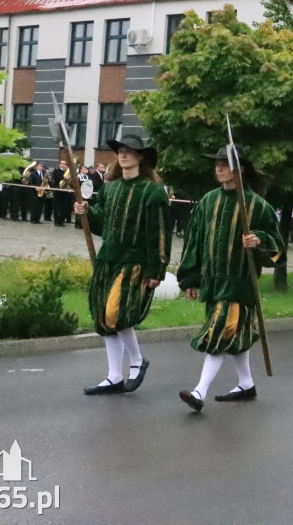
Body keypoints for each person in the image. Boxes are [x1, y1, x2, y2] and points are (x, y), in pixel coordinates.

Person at [177, 146, 284, 412]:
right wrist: (190, 278)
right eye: (217, 164)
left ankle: (199, 392)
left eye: (224, 164)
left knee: (220, 331)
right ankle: (246, 384)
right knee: (234, 337)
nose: (218, 169)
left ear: (241, 169)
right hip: (213, 283)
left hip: (239, 284)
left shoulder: (258, 206)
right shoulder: (207, 202)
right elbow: (194, 242)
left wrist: (258, 241)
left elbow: (278, 249)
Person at [73, 135, 171, 395]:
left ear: (141, 157)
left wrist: (156, 270)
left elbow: (159, 234)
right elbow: (101, 222)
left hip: (135, 262)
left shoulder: (151, 192)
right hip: (109, 259)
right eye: (120, 151)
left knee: (115, 312)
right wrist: (85, 212)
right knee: (104, 318)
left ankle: (137, 360)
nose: (123, 155)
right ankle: (114, 376)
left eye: (129, 151)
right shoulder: (111, 188)